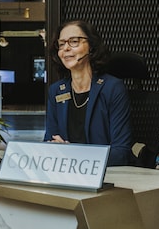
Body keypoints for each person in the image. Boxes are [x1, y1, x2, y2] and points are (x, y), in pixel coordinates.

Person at [44, 20, 132, 166]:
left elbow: (121, 153)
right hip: (66, 171)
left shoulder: (112, 88)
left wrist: (72, 153)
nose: (66, 48)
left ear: (91, 46)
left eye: (74, 42)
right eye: (61, 44)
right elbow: (50, 142)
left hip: (107, 173)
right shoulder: (56, 91)